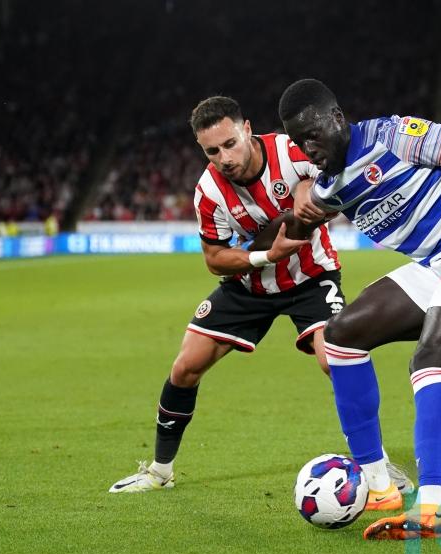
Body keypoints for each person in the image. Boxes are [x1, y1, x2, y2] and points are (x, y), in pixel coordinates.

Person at [109, 96, 412, 501]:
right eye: (212, 151)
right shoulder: (209, 192)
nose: (224, 157)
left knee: (334, 359)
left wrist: (307, 188)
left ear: (247, 129)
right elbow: (215, 260)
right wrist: (266, 256)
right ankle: (160, 471)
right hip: (249, 286)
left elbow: (328, 171)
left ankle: (377, 463)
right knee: (185, 368)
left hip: (310, 278)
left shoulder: (290, 149)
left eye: (230, 143)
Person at [278, 79, 441, 539]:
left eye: (312, 134)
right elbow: (294, 224)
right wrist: (248, 250)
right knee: (340, 337)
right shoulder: (331, 188)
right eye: (298, 141)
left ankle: (434, 507)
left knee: (431, 360)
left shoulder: (392, 135)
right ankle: (379, 487)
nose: (307, 147)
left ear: (337, 117)